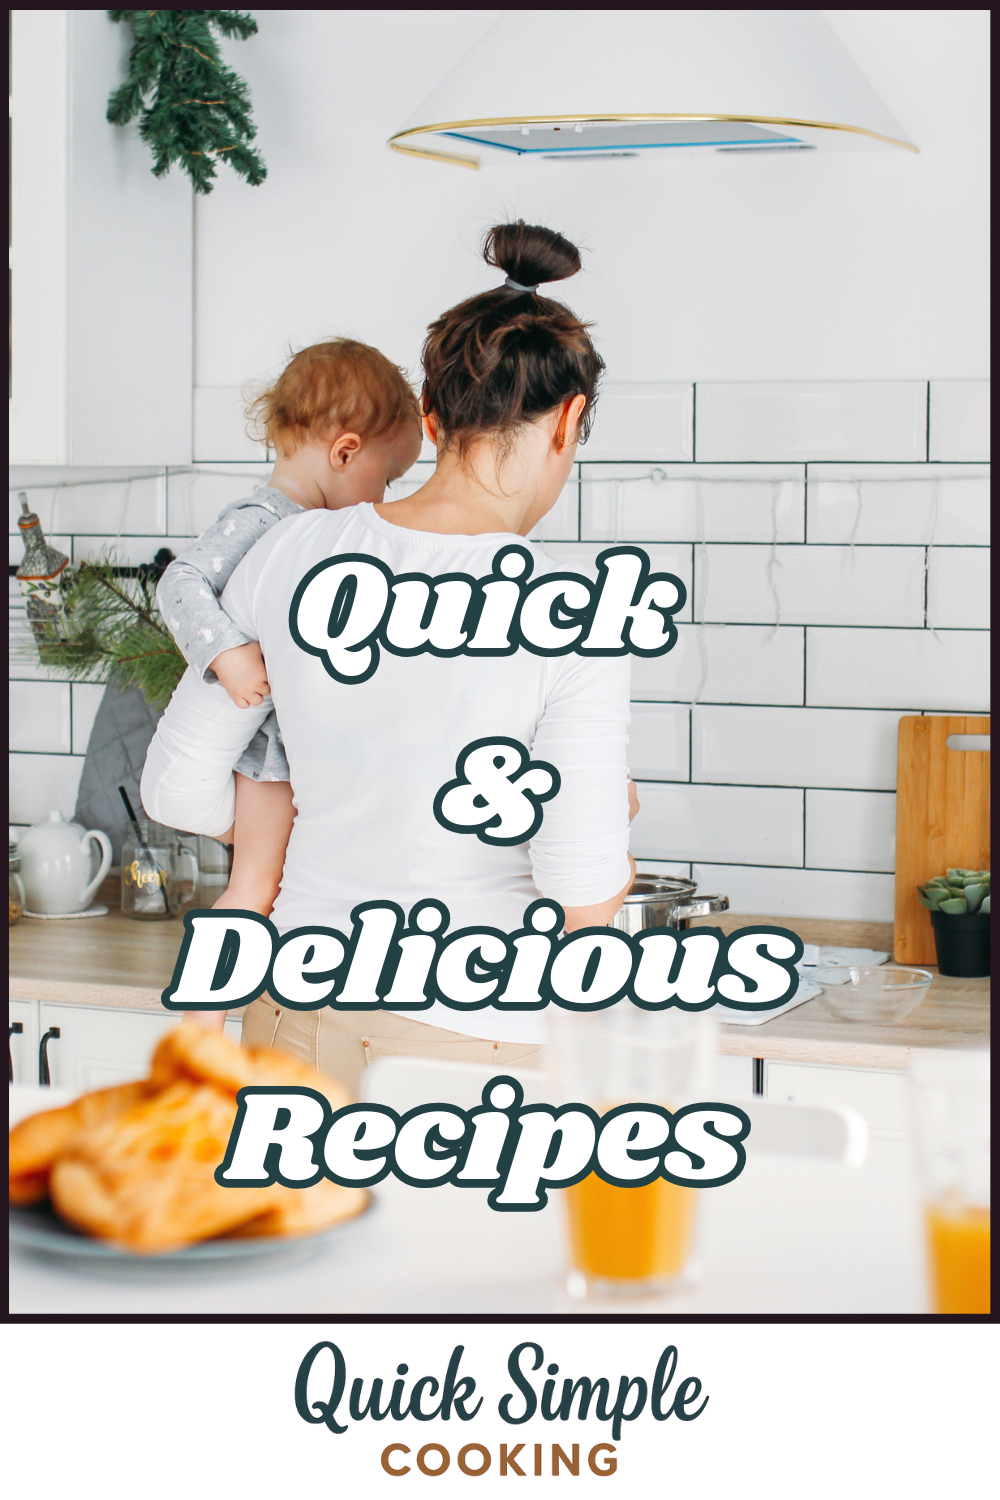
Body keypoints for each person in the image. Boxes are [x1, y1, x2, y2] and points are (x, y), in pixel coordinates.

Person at [142, 221, 638, 1093]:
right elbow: (582, 897)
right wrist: (614, 834)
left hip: (293, 1009)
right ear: (569, 420)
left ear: (433, 417)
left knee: (293, 1234)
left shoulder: (288, 553)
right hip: (473, 1040)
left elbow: (177, 784)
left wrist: (346, 807)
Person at [156, 339, 423, 918]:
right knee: (257, 887)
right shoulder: (264, 519)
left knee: (278, 885)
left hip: (302, 749)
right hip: (270, 754)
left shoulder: (321, 533)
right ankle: (205, 1010)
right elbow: (180, 583)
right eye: (388, 477)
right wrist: (226, 654)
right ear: (346, 453)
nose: (385, 496)